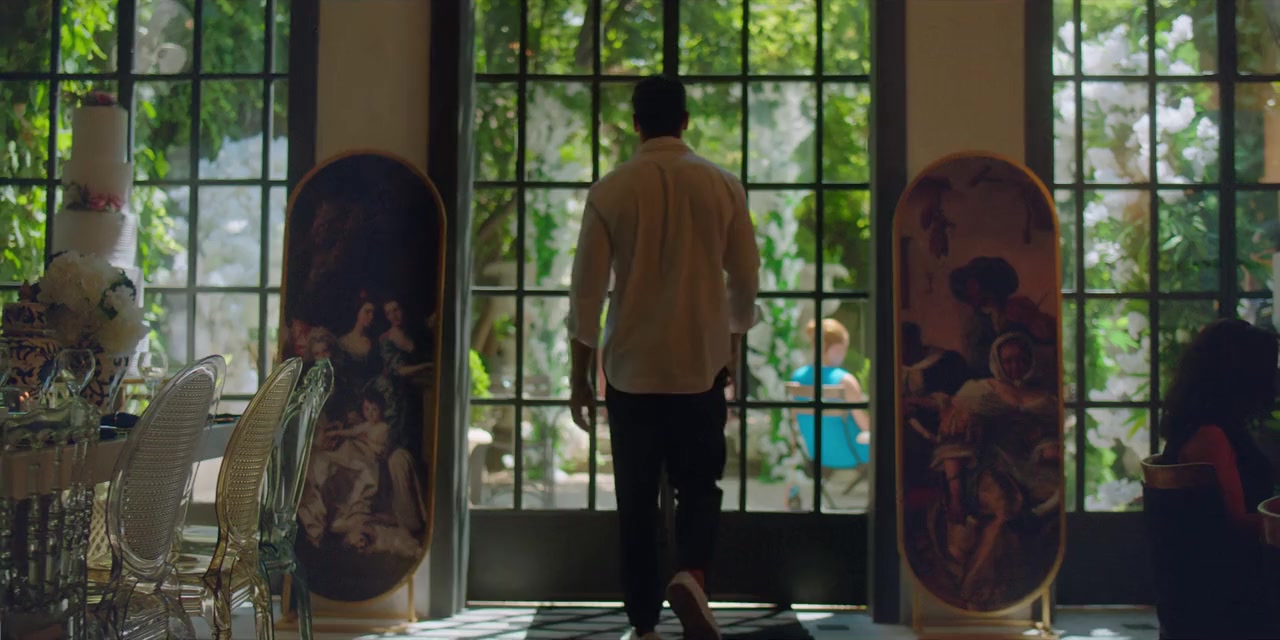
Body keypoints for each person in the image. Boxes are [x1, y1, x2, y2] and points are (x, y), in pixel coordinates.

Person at [567, 75, 760, 640]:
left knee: (635, 500)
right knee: (699, 486)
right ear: (685, 120)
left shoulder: (610, 191)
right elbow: (745, 278)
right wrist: (732, 346)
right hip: (700, 366)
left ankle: (644, 623)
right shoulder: (723, 185)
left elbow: (586, 294)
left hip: (631, 371)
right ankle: (691, 575)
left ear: (635, 124)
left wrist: (580, 377)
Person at [786, 318, 871, 510]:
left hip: (816, 452)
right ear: (836, 347)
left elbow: (794, 425)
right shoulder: (845, 381)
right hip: (852, 453)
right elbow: (865, 426)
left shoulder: (797, 378)